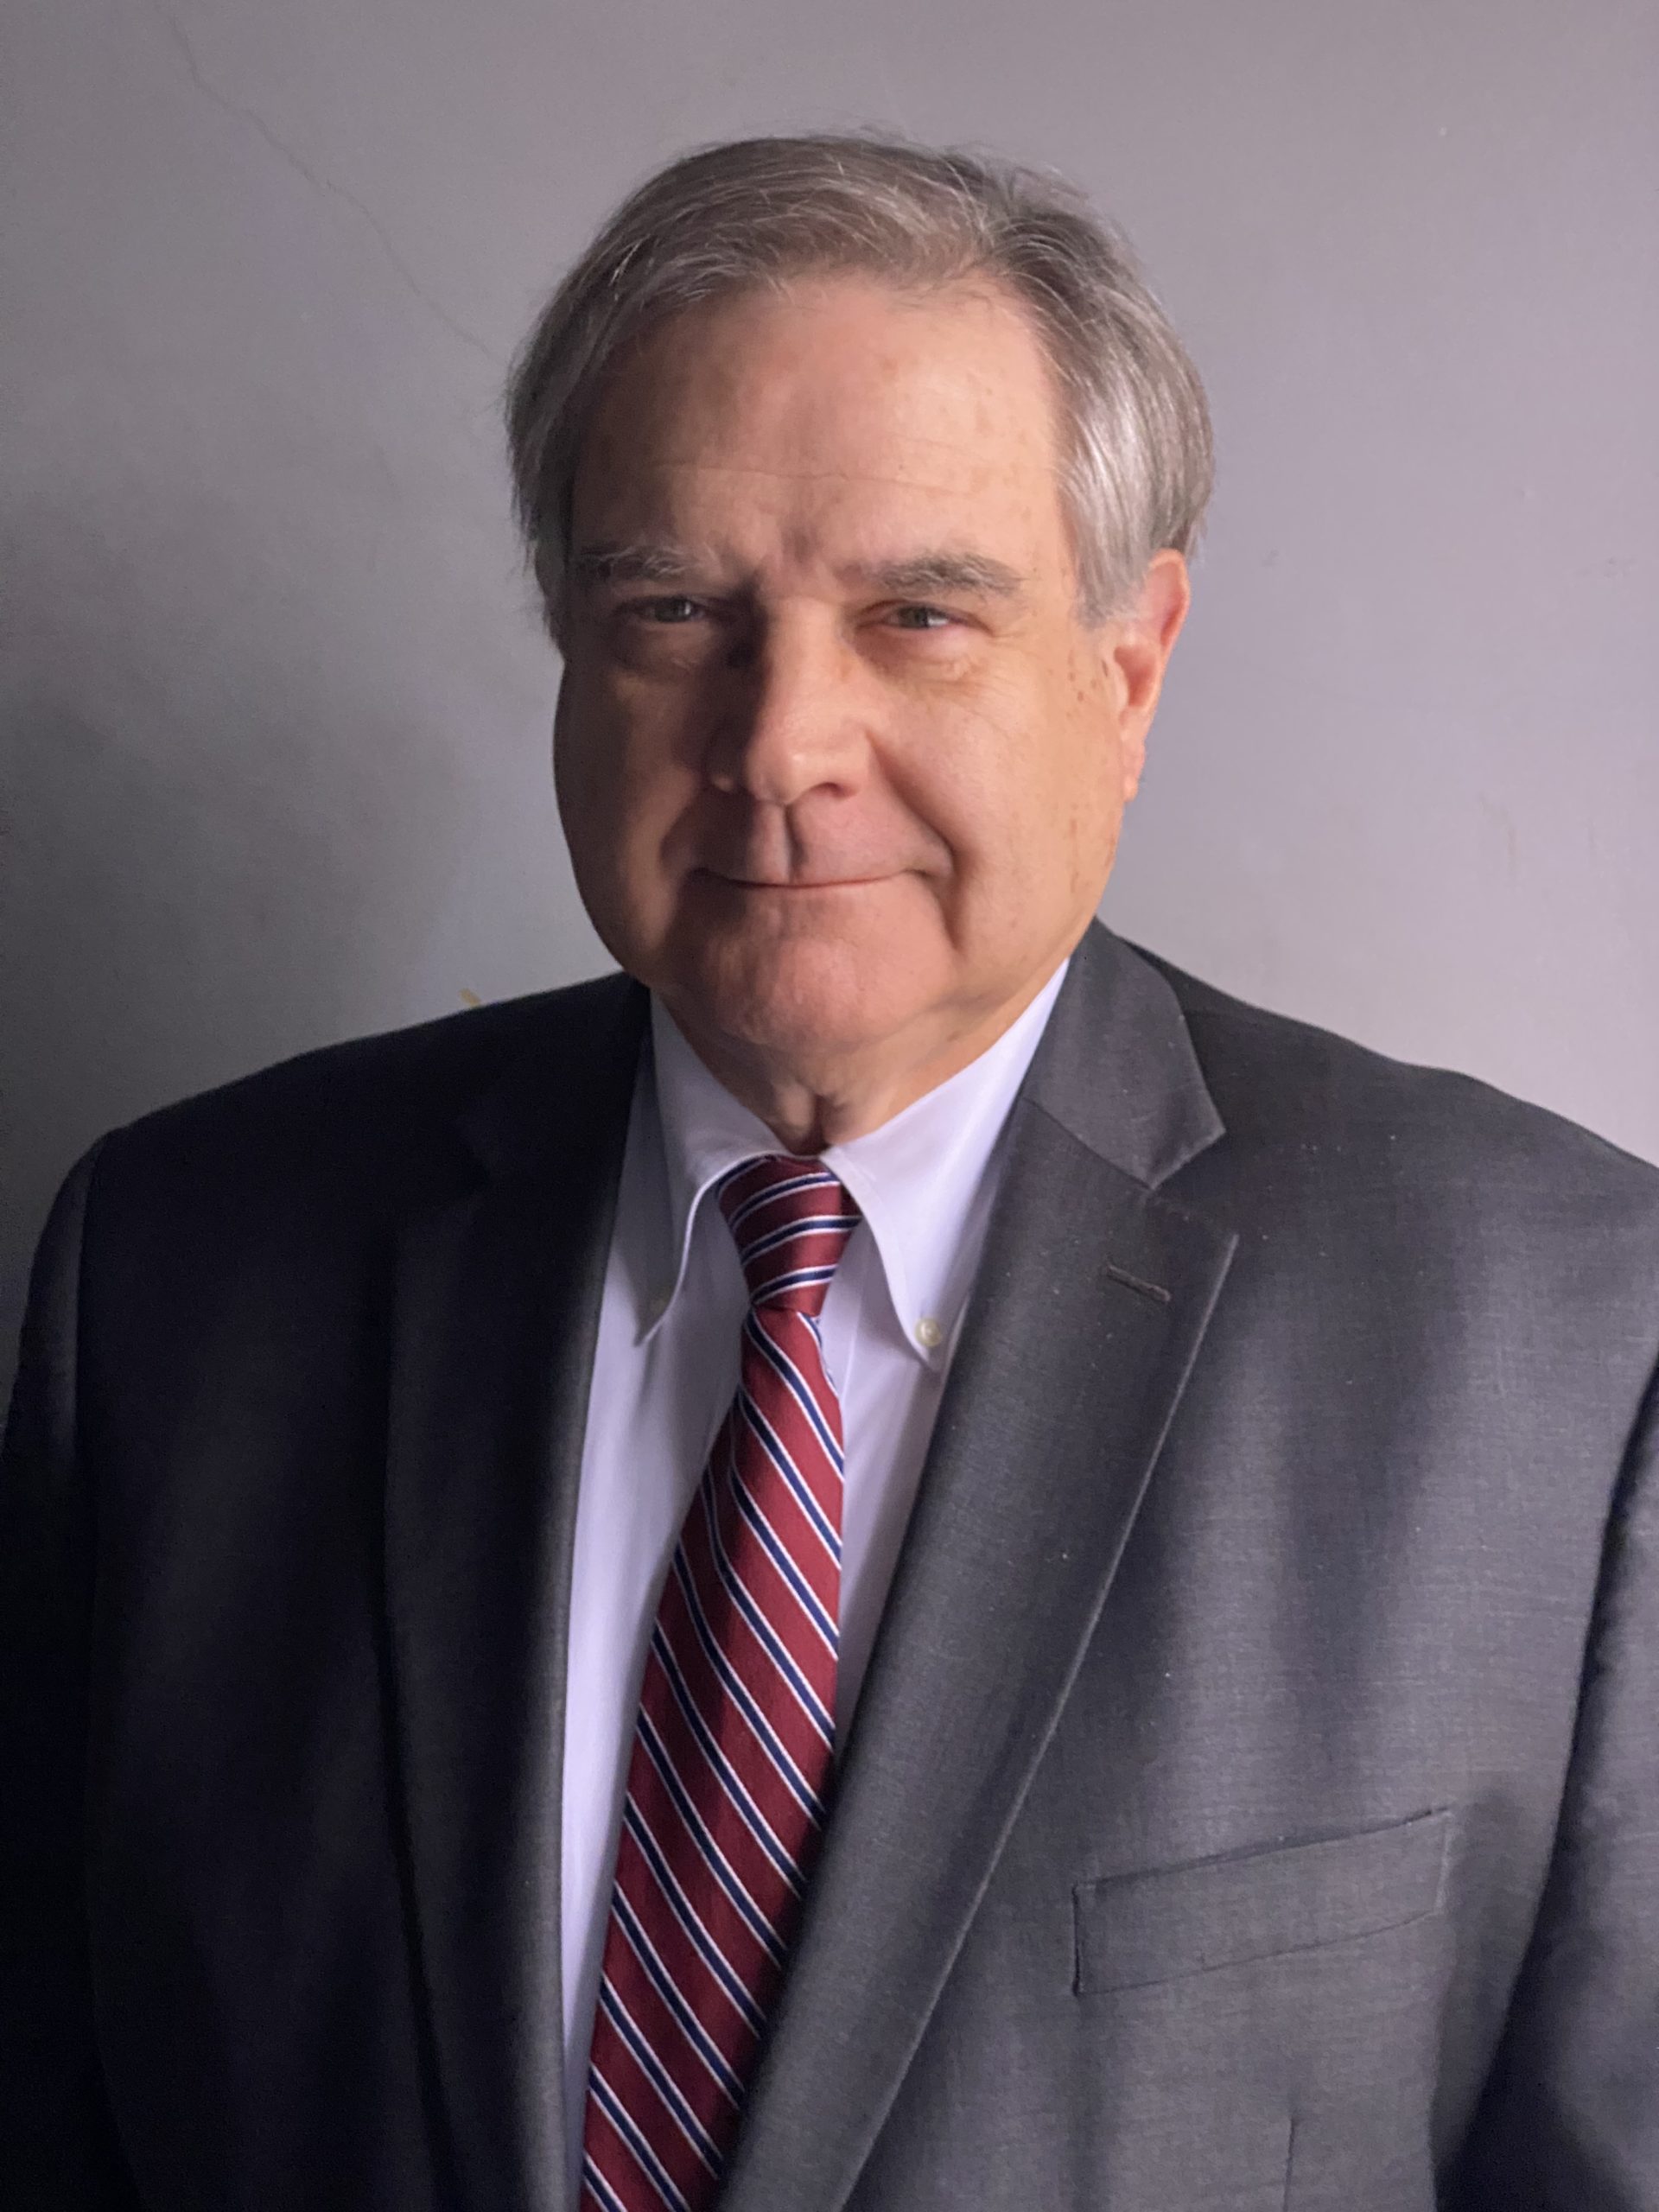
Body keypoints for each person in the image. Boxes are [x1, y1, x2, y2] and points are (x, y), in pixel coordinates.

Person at [2, 130, 1655, 2212]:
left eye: (920, 613)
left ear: (1126, 671)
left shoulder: (1569, 1345)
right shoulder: (179, 1276)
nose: (782, 738)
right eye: (676, 606)